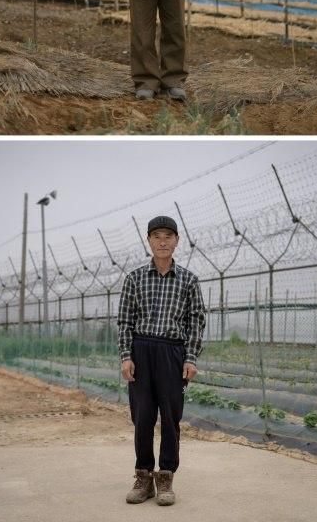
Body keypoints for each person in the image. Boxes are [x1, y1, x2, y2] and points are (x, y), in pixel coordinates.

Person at [117, 215, 206, 506]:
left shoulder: (189, 281)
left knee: (170, 418)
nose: (163, 241)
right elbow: (125, 321)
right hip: (141, 351)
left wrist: (190, 358)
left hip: (172, 352)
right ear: (149, 241)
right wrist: (126, 356)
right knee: (142, 417)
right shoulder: (135, 278)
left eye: (169, 235)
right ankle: (144, 477)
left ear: (177, 241)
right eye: (157, 236)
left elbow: (196, 322)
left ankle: (166, 476)